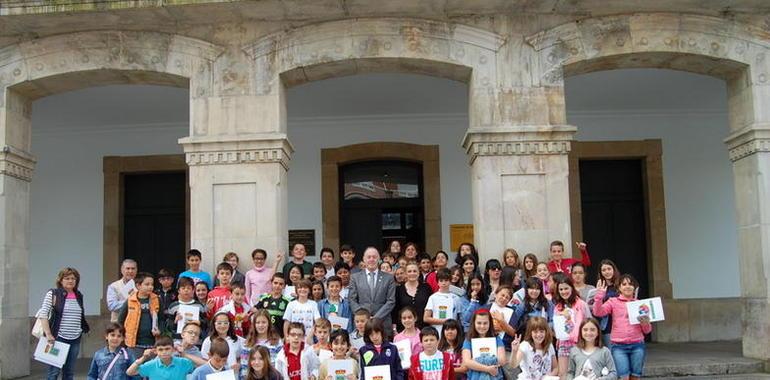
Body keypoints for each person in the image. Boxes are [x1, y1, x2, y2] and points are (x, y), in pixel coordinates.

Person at [593, 274, 652, 380]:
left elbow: (647, 331)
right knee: (623, 376)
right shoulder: (613, 301)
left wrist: (645, 323)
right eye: (624, 284)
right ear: (619, 287)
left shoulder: (640, 304)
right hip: (618, 346)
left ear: (634, 287)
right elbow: (598, 312)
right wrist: (599, 296)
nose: (627, 286)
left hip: (637, 344)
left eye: (630, 284)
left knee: (635, 375)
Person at [36, 267, 91, 380]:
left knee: (69, 372)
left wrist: (83, 329)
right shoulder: (53, 294)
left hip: (75, 338)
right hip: (58, 338)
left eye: (73, 278)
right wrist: (49, 334)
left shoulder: (78, 295)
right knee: (54, 372)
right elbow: (43, 314)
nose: (70, 281)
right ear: (61, 280)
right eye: (67, 278)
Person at [348, 247, 397, 333]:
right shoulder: (355, 277)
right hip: (362, 325)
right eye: (369, 257)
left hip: (383, 324)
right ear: (364, 259)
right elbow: (352, 300)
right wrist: (364, 317)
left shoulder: (389, 278)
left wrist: (375, 318)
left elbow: (391, 301)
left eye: (374, 257)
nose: (371, 259)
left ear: (378, 259)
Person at [553, 276, 592, 377]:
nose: (563, 291)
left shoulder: (582, 304)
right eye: (561, 289)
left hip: (580, 343)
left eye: (566, 288)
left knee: (580, 374)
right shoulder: (557, 307)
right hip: (563, 344)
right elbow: (557, 327)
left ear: (572, 288)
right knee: (563, 374)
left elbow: (590, 322)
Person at [118, 271, 160, 359]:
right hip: (134, 343)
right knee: (135, 367)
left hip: (153, 342)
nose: (150, 287)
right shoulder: (130, 301)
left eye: (152, 284)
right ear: (138, 285)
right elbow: (121, 320)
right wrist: (122, 336)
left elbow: (162, 318)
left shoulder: (156, 299)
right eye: (147, 284)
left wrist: (160, 330)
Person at [461, 309, 506, 380]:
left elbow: (502, 360)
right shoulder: (468, 340)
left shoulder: (497, 338)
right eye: (479, 323)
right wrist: (487, 368)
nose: (482, 326)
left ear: (490, 323)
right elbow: (467, 362)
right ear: (474, 323)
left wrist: (476, 361)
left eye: (485, 323)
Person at [127, 336, 195, 379]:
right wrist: (143, 358)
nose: (164, 352)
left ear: (173, 349)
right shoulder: (151, 364)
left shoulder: (184, 362)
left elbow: (202, 368)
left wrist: (185, 354)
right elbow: (129, 372)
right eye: (160, 350)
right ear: (155, 351)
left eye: (167, 349)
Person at [165, 276, 208, 341]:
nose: (186, 290)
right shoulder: (173, 306)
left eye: (188, 288)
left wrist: (200, 323)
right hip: (178, 340)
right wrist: (175, 321)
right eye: (183, 288)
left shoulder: (199, 306)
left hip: (196, 341)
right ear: (179, 290)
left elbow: (206, 324)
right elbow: (168, 327)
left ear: (193, 290)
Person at [394, 261, 432, 332]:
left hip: (424, 330)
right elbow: (395, 311)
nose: (412, 273)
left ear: (418, 273)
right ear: (405, 274)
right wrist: (394, 329)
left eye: (414, 271)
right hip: (404, 330)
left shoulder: (426, 288)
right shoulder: (399, 290)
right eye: (409, 271)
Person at [255, 273, 292, 337]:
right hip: (264, 335)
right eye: (275, 283)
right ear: (271, 283)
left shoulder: (287, 302)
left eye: (281, 284)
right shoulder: (264, 299)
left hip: (279, 336)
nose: (277, 286)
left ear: (284, 286)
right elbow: (254, 310)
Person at [423, 268, 458, 334]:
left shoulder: (456, 298)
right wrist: (444, 321)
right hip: (437, 332)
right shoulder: (433, 297)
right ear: (437, 282)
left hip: (452, 333)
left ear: (450, 281)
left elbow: (459, 317)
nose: (444, 283)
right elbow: (426, 318)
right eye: (441, 280)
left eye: (446, 280)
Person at [596, 259, 621, 348]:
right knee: (611, 353)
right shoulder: (601, 287)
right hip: (607, 324)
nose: (607, 272)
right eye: (604, 270)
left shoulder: (621, 285)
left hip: (621, 323)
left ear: (614, 269)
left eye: (609, 269)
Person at [154, 268, 177, 333]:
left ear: (172, 280)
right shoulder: (155, 293)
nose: (166, 281)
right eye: (163, 279)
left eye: (168, 279)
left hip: (172, 319)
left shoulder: (176, 292)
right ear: (159, 280)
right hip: (159, 319)